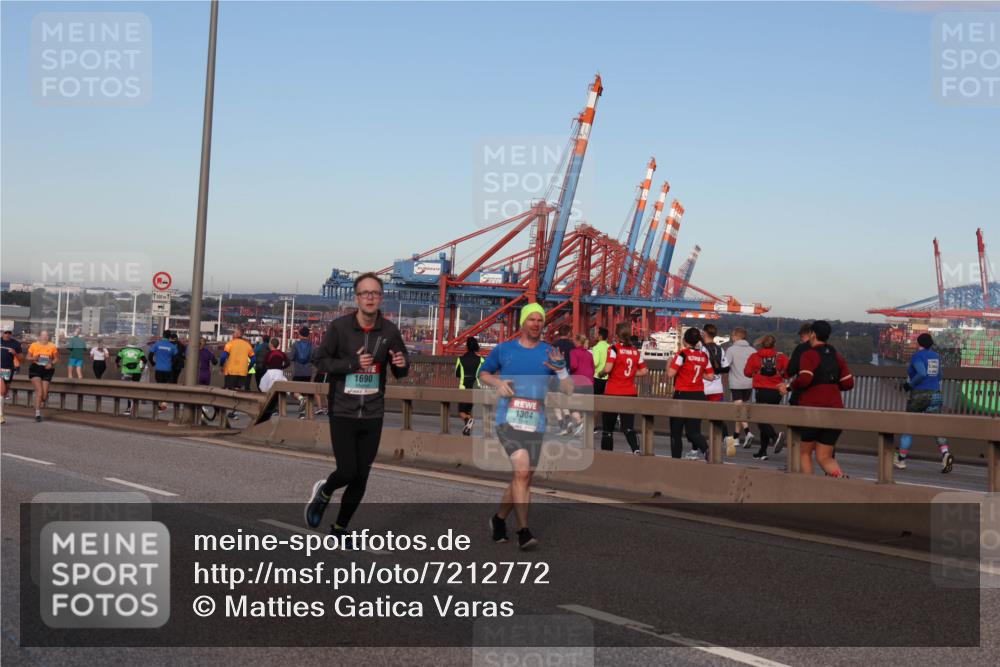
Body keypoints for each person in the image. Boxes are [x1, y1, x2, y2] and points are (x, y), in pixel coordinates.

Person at [305, 273, 410, 542]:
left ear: (381, 297)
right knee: (348, 471)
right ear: (357, 298)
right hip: (343, 410)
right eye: (365, 293)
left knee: (361, 476)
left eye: (375, 293)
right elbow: (320, 361)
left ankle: (340, 528)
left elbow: (401, 368)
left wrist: (401, 364)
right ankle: (325, 492)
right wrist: (352, 364)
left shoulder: (389, 331)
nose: (370, 297)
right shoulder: (340, 328)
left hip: (373, 412)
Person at [476, 302, 573, 550]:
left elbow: (569, 388)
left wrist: (561, 372)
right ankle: (523, 531)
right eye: (531, 319)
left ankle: (498, 520)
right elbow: (483, 373)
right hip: (507, 420)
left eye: (540, 320)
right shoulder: (504, 350)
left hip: (536, 422)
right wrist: (497, 383)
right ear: (523, 323)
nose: (536, 324)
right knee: (521, 473)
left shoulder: (550, 353)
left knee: (524, 477)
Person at [783, 320, 854, 477]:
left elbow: (805, 379)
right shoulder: (836, 355)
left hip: (812, 411)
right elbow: (848, 383)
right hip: (835, 410)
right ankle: (842, 480)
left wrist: (788, 387)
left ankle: (808, 491)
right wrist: (832, 387)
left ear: (812, 334)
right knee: (824, 457)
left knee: (804, 453)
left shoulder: (809, 354)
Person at [896, 333, 953, 473]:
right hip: (935, 395)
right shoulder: (936, 356)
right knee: (936, 427)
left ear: (918, 343)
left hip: (919, 395)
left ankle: (901, 459)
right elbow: (940, 375)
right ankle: (945, 453)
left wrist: (909, 385)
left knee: (908, 426)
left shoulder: (917, 356)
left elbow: (921, 373)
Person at [666, 327, 714, 459]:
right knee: (693, 431)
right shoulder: (703, 356)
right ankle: (706, 449)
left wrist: (669, 363)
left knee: (676, 432)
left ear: (684, 340)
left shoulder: (682, 354)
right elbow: (710, 376)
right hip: (699, 395)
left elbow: (671, 374)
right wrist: (696, 372)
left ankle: (676, 460)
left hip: (682, 395)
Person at [599, 322, 647, 453]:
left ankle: (607, 456)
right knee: (628, 427)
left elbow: (608, 368)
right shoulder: (636, 352)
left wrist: (601, 372)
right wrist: (631, 373)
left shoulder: (613, 349)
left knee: (608, 429)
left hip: (613, 393)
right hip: (630, 393)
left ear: (616, 335)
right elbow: (644, 371)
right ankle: (636, 449)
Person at [743, 334, 789, 460]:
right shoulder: (781, 357)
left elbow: (747, 372)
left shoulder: (755, 356)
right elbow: (788, 373)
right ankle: (762, 451)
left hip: (761, 391)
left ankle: (775, 437)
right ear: (774, 344)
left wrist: (756, 373)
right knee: (765, 420)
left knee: (760, 419)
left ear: (762, 344)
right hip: (776, 392)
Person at [701, 324, 734, 456]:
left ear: (704, 333)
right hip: (717, 388)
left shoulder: (702, 349)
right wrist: (716, 372)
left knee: (695, 419)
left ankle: (695, 449)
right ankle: (728, 439)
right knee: (718, 417)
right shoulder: (720, 350)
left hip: (703, 388)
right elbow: (726, 368)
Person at [726, 327, 755, 447]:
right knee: (741, 409)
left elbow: (726, 364)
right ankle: (736, 437)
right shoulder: (752, 350)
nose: (732, 338)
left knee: (739, 410)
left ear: (737, 337)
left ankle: (748, 432)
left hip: (736, 384)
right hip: (749, 384)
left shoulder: (731, 350)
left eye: (733, 336)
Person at [26, 331, 58, 422]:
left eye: (46, 335)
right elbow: (27, 357)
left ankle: (38, 400)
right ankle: (37, 414)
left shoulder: (52, 346)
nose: (45, 337)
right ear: (39, 337)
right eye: (43, 335)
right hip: (35, 369)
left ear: (48, 337)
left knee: (44, 396)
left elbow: (56, 358)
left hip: (47, 369)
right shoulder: (34, 345)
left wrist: (51, 363)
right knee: (39, 392)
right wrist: (33, 358)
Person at [566, 333, 594, 436]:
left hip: (578, 381)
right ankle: (585, 425)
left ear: (578, 342)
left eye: (574, 341)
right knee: (584, 405)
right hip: (589, 382)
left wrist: (568, 370)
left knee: (571, 404)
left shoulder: (573, 352)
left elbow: (574, 366)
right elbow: (593, 368)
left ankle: (579, 422)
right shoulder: (589, 354)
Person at [455, 337, 484, 436]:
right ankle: (467, 429)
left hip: (464, 387)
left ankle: (469, 420)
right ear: (476, 346)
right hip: (476, 388)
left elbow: (457, 374)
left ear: (466, 347)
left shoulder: (460, 359)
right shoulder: (481, 360)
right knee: (468, 410)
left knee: (462, 411)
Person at [290, 327, 320, 417]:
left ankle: (301, 402)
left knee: (295, 391)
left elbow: (291, 357)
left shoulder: (295, 345)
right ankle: (302, 413)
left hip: (298, 371)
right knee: (304, 392)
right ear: (308, 335)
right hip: (308, 372)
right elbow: (315, 359)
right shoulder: (312, 346)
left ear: (300, 334)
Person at [551, 324, 576, 433]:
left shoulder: (554, 345)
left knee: (555, 401)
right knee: (564, 397)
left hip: (555, 374)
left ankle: (562, 425)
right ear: (568, 333)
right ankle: (567, 418)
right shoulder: (572, 345)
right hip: (567, 374)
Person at [785, 323, 814, 406]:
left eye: (802, 336)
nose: (801, 339)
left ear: (807, 334)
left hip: (802, 392)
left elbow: (791, 370)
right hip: (820, 395)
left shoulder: (801, 348)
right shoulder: (826, 349)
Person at [1, 330, 23, 425]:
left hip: (8, 370)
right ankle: (1, 415)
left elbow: (22, 358)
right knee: (1, 391)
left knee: (4, 392)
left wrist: (15, 353)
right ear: (2, 333)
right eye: (5, 332)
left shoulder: (16, 344)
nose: (7, 334)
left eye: (9, 333)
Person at [590, 327, 610, 432]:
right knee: (606, 403)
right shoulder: (610, 347)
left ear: (600, 336)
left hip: (598, 377)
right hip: (608, 378)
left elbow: (595, 362)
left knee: (595, 403)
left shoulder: (596, 347)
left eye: (596, 334)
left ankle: (593, 426)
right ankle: (607, 427)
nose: (594, 335)